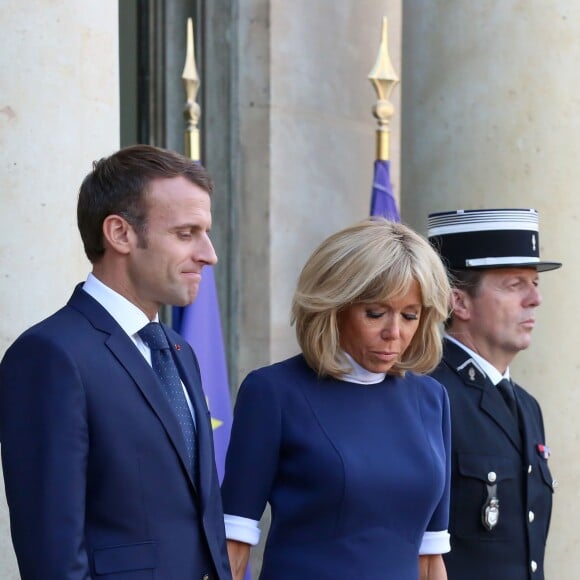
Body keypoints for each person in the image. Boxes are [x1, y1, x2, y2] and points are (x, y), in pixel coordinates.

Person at [0, 145, 232, 579]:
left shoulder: (179, 352)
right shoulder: (50, 356)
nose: (209, 254)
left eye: (206, 232)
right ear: (120, 234)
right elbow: (52, 554)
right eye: (186, 234)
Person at [221, 218, 452, 580]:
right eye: (375, 313)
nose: (394, 333)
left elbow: (429, 557)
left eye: (410, 316)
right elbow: (234, 545)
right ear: (334, 306)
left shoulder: (431, 399)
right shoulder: (273, 392)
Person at [427, 208, 560, 580]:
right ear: (459, 302)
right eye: (514, 284)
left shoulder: (526, 406)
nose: (535, 299)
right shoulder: (425, 394)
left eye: (534, 282)